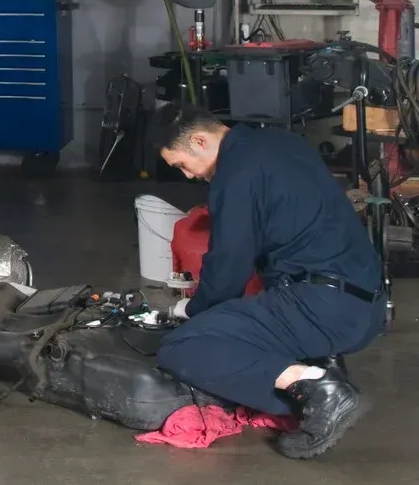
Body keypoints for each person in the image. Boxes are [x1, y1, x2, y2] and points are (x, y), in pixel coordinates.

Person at [154, 103, 385, 459]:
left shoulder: (235, 174)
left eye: (182, 165)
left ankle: (320, 392)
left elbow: (228, 269)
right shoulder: (281, 143)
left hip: (323, 307)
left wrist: (196, 312)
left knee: (182, 347)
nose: (188, 176)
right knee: (263, 302)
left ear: (199, 141)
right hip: (368, 304)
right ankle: (322, 365)